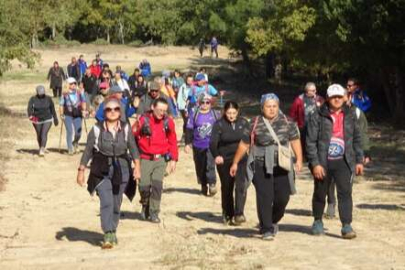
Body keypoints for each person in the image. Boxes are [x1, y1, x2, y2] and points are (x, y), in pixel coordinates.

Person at [230, 93, 303, 240]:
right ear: (262, 108)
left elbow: (295, 141)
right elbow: (244, 144)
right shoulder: (254, 123)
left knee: (283, 197)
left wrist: (299, 159)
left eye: (274, 106)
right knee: (264, 196)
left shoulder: (288, 122)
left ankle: (272, 219)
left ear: (278, 107)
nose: (271, 109)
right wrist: (235, 162)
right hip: (260, 164)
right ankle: (266, 228)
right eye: (268, 106)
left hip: (282, 165)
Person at [77, 97, 141, 249]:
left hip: (122, 168)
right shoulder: (97, 129)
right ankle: (107, 233)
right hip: (101, 168)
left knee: (116, 202)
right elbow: (87, 151)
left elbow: (133, 148)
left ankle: (113, 229)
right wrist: (81, 171)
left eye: (116, 109)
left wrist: (137, 167)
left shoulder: (125, 128)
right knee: (106, 200)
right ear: (104, 112)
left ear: (120, 112)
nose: (112, 112)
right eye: (109, 109)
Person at [306, 84, 364, 239]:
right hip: (323, 161)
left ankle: (346, 225)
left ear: (344, 97)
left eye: (339, 96)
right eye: (334, 97)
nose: (337, 99)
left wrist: (359, 160)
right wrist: (315, 163)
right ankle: (318, 221)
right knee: (320, 192)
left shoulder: (351, 114)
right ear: (327, 98)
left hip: (344, 161)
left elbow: (357, 138)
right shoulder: (317, 115)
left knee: (345, 193)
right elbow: (310, 141)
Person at [133, 97, 178, 223]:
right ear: (153, 107)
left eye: (164, 110)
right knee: (143, 186)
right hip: (145, 159)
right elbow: (132, 137)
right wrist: (134, 158)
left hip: (161, 159)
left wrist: (173, 159)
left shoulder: (168, 122)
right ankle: (145, 204)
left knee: (157, 185)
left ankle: (154, 212)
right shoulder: (143, 120)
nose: (161, 113)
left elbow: (172, 140)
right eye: (159, 110)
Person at [209, 101, 250, 225]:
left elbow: (249, 140)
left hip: (241, 158)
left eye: (234, 113)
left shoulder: (244, 123)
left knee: (241, 185)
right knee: (227, 187)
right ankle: (227, 213)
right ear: (224, 112)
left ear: (238, 112)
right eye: (228, 113)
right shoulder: (219, 124)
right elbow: (212, 143)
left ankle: (239, 213)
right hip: (224, 159)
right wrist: (216, 156)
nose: (231, 115)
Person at [185, 93, 220, 196]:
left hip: (210, 145)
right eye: (203, 102)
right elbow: (189, 129)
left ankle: (212, 183)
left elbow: (220, 129)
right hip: (197, 145)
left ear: (211, 103)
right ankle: (203, 184)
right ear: (199, 103)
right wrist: (188, 143)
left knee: (210, 164)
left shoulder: (215, 114)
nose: (205, 104)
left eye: (207, 102)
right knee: (200, 166)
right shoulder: (194, 114)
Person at [289, 82, 324, 156]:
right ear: (307, 91)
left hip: (316, 126)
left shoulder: (319, 99)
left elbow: (325, 111)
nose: (315, 92)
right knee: (303, 142)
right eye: (313, 90)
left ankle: (314, 156)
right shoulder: (299, 100)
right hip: (303, 126)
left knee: (315, 142)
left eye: (315, 90)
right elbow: (292, 113)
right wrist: (292, 124)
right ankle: (303, 157)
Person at [27, 85, 59, 156]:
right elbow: (29, 109)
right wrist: (31, 116)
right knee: (39, 135)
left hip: (47, 118)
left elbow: (52, 109)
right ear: (37, 93)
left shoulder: (48, 99)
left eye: (43, 94)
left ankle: (42, 148)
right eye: (40, 94)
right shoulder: (33, 99)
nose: (41, 95)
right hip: (37, 119)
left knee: (43, 133)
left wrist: (55, 118)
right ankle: (41, 146)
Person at [59, 77, 87, 155]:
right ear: (68, 84)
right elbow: (61, 105)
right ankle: (70, 148)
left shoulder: (79, 92)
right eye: (72, 83)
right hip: (68, 114)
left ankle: (75, 142)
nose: (74, 85)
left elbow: (83, 101)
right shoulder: (64, 94)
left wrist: (84, 110)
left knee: (78, 132)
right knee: (69, 131)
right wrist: (61, 114)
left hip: (78, 114)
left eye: (75, 83)